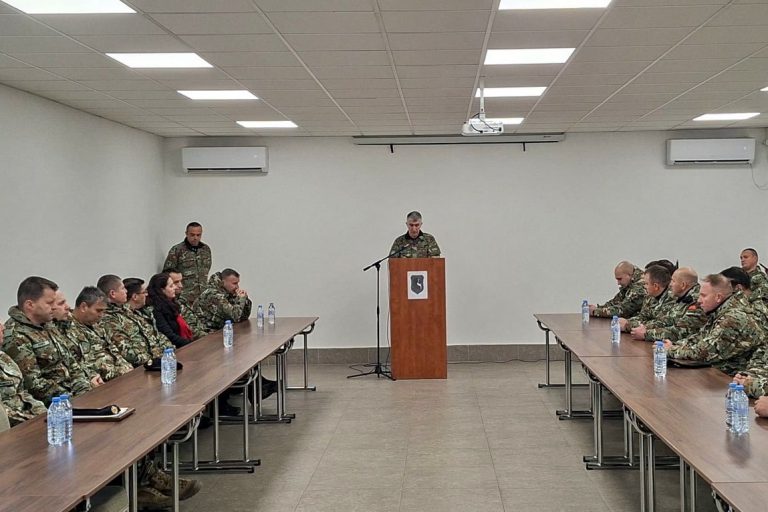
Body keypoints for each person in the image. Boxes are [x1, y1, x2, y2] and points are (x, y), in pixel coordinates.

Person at [3, 277, 96, 404]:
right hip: (53, 405)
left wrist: (85, 389)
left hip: (75, 395)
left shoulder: (48, 324)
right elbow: (34, 384)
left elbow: (71, 363)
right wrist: (73, 398)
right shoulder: (16, 335)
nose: (54, 307)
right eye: (49, 303)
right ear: (30, 305)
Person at [664, 273, 761, 375]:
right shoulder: (720, 311)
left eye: (703, 296)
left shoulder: (734, 318)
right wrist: (675, 345)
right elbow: (701, 337)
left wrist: (671, 350)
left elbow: (704, 353)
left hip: (734, 377)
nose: (699, 300)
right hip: (719, 371)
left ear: (718, 297)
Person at [99, 275, 171, 367]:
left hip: (160, 359)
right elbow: (126, 351)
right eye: (123, 288)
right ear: (113, 294)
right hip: (143, 366)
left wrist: (169, 350)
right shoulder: (108, 318)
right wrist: (153, 360)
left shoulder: (128, 310)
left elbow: (155, 333)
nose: (126, 291)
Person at [65, 287, 133, 382]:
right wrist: (121, 372)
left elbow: (113, 350)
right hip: (100, 382)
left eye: (103, 311)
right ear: (83, 307)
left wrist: (127, 367)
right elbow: (84, 364)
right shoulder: (68, 329)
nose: (101, 315)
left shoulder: (97, 326)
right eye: (98, 310)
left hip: (120, 376)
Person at [630, 267, 705, 342]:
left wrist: (646, 334)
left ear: (683, 285)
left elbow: (680, 332)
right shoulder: (682, 298)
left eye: (673, 281)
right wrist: (641, 327)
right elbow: (666, 321)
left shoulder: (696, 301)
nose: (670, 284)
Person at [163, 222, 212, 307]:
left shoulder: (206, 250)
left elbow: (207, 269)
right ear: (186, 233)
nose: (195, 238)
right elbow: (167, 274)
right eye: (192, 235)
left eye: (198, 235)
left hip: (202, 297)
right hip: (184, 297)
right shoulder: (177, 250)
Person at [193, 269, 252, 333]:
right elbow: (235, 317)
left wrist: (245, 299)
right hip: (206, 333)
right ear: (223, 282)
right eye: (234, 283)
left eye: (237, 283)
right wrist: (241, 299)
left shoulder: (227, 293)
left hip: (220, 331)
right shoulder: (213, 294)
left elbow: (243, 317)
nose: (237, 287)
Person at [147, 273, 195, 348]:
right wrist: (191, 343)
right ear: (162, 290)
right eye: (171, 286)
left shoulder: (172, 304)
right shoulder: (156, 310)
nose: (175, 288)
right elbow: (169, 336)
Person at [620, 265, 673, 332]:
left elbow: (660, 324)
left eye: (646, 283)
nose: (644, 286)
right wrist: (626, 322)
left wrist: (628, 325)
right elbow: (642, 316)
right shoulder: (650, 296)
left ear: (656, 286)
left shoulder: (671, 299)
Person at [0, 349, 46, 426]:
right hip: (11, 424)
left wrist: (42, 411)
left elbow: (22, 393)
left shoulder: (3, 357)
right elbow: (2, 414)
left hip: (26, 416)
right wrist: (31, 420)